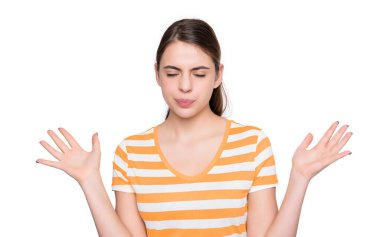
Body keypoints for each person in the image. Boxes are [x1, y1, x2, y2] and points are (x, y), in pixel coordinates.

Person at [36, 18, 353, 237]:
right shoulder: (131, 152)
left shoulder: (251, 144)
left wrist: (299, 178)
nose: (185, 86)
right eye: (172, 73)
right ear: (157, 75)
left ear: (218, 76)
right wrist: (90, 181)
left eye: (199, 73)